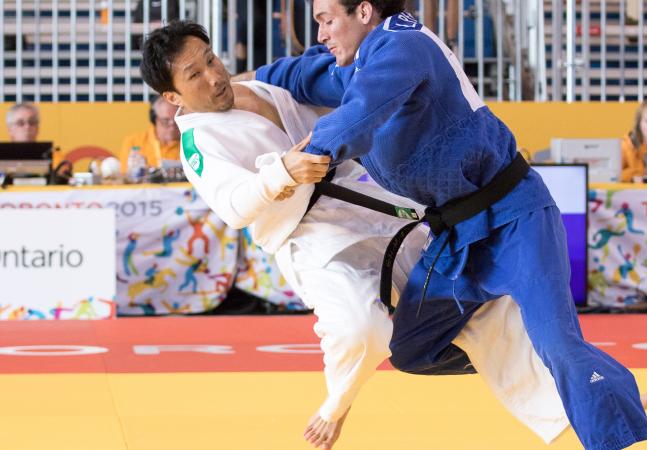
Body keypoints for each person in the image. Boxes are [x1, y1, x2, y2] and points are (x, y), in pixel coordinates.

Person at [241, 2, 647, 449]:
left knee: (558, 343)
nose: (320, 32)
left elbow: (359, 114)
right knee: (412, 349)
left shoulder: (403, 46)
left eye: (326, 19)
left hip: (515, 218)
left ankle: (606, 415)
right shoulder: (364, 60)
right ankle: (562, 372)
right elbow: (310, 75)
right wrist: (247, 81)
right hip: (456, 238)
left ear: (363, 11)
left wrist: (304, 155)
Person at [140, 21, 572, 450]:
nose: (213, 76)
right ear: (172, 96)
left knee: (478, 297)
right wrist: (281, 173)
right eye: (194, 75)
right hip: (309, 235)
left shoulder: (258, 87)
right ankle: (337, 404)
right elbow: (233, 207)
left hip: (373, 204)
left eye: (211, 59)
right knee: (360, 330)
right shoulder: (199, 144)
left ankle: (576, 403)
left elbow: (335, 94)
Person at [118, 96, 181, 174]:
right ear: (154, 119)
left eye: (176, 120)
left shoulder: (190, 140)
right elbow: (127, 176)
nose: (172, 126)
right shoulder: (134, 142)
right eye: (165, 121)